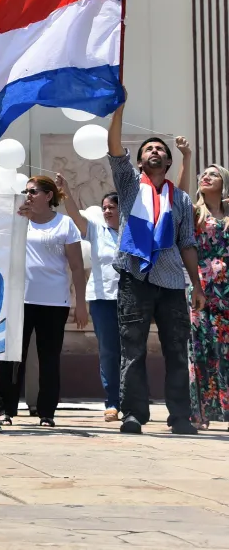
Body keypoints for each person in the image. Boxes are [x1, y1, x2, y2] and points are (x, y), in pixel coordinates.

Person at [107, 104, 204, 435]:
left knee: (176, 351)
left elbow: (188, 243)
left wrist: (198, 286)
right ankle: (133, 414)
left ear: (168, 161)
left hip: (173, 282)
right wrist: (117, 111)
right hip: (135, 278)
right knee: (132, 350)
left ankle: (180, 416)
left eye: (160, 149)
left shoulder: (181, 199)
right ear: (140, 161)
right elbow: (115, 151)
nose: (154, 151)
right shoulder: (131, 186)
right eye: (149, 148)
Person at [0, 176, 88, 427]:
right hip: (20, 299)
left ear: (48, 196)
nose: (28, 195)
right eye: (25, 191)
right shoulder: (17, 219)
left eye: (33, 191)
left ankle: (47, 412)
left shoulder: (65, 224)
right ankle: (5, 409)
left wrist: (80, 303)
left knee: (49, 359)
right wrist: (16, 218)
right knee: (13, 357)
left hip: (54, 302)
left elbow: (77, 267)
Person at [57, 175, 122, 422]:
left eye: (112, 208)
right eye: (104, 207)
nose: (106, 211)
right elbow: (75, 216)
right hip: (103, 299)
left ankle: (133, 398)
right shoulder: (97, 230)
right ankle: (112, 401)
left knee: (131, 351)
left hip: (131, 300)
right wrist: (66, 192)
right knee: (108, 350)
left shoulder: (131, 231)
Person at [188, 164, 229, 430]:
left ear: (224, 182)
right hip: (201, 286)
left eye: (213, 174)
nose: (206, 177)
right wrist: (186, 157)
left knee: (225, 349)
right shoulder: (195, 213)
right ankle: (200, 413)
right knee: (200, 347)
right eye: (203, 174)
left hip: (226, 289)